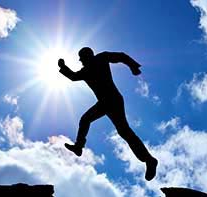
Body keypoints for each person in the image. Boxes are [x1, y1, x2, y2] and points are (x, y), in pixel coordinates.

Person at [58, 47, 158, 181]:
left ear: (87, 56)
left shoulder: (100, 59)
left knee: (89, 120)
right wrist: (63, 67)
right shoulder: (87, 69)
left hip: (111, 100)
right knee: (123, 132)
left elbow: (121, 56)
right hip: (107, 102)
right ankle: (149, 159)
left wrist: (133, 66)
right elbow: (73, 77)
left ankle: (78, 146)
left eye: (82, 59)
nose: (81, 61)